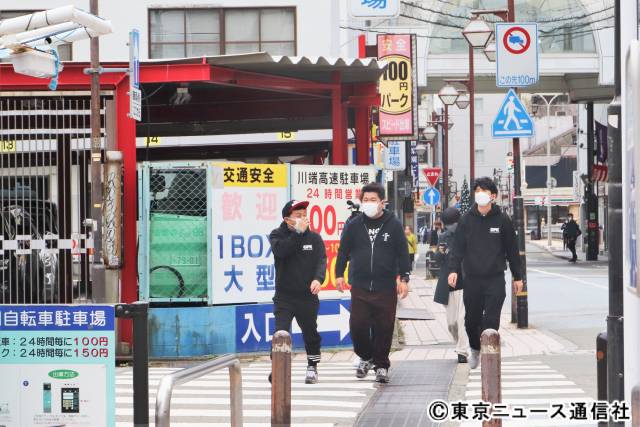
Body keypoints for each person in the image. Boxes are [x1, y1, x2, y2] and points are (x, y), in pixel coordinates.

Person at [335, 182, 410, 384]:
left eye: (373, 200)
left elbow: (403, 253)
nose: (368, 203)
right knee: (357, 326)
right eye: (365, 200)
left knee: (384, 328)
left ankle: (381, 366)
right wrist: (339, 273)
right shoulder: (354, 225)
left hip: (385, 287)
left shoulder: (393, 224)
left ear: (382, 202)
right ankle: (366, 356)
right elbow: (343, 251)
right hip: (360, 286)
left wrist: (404, 278)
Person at [447, 177, 523, 370]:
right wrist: (453, 270)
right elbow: (458, 249)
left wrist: (518, 276)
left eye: (484, 191)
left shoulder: (503, 220)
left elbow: (512, 251)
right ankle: (475, 349)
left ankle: (489, 356)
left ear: (493, 196)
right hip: (472, 278)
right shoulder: (466, 220)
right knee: (471, 320)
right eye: (477, 190)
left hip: (495, 278)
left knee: (491, 320)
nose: (480, 194)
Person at [269, 200, 327, 384]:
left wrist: (318, 279)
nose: (303, 218)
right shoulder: (277, 235)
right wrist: (298, 234)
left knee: (311, 333)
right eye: (298, 215)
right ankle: (277, 368)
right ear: (287, 219)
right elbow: (281, 251)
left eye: (304, 214)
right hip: (284, 297)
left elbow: (321, 261)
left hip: (307, 297)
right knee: (280, 334)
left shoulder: (315, 238)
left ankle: (313, 366)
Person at [433, 207, 469, 364]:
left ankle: (462, 351)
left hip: (466, 283)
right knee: (451, 323)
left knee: (462, 320)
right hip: (448, 285)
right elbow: (437, 260)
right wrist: (440, 253)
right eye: (447, 224)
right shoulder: (444, 237)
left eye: (452, 223)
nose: (450, 227)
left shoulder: (469, 234)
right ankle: (460, 343)